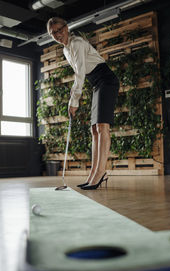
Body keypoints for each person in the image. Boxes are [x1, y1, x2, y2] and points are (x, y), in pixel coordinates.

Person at [47, 17, 119, 190]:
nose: (57, 34)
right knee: (94, 129)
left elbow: (79, 73)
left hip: (106, 80)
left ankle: (100, 173)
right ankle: (94, 174)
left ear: (67, 27)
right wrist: (73, 99)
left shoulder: (77, 43)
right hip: (96, 84)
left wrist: (74, 101)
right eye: (53, 33)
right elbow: (80, 75)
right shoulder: (66, 50)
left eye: (59, 29)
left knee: (102, 127)